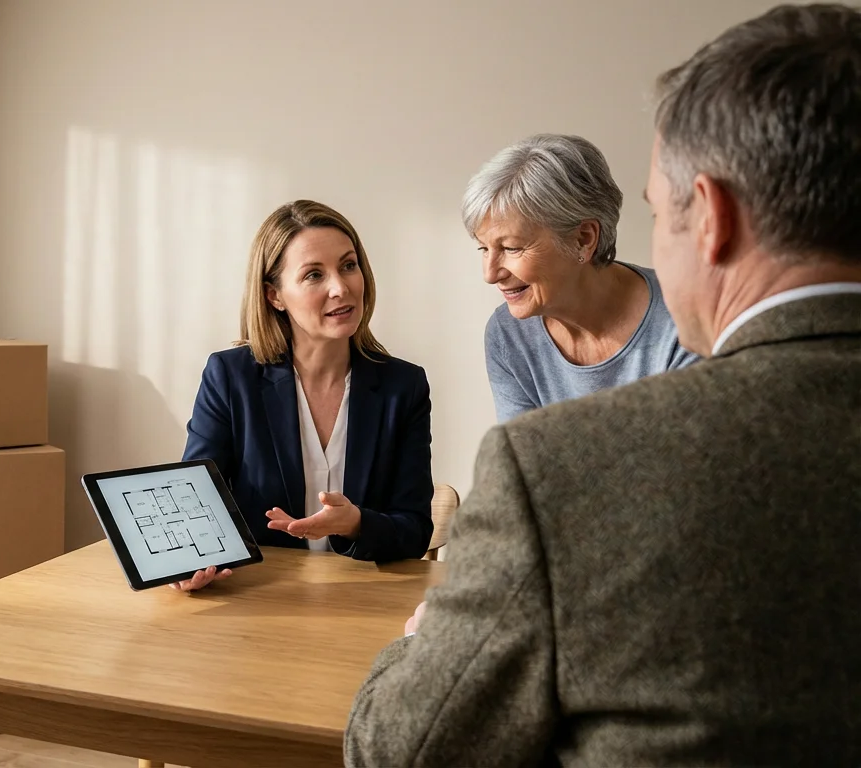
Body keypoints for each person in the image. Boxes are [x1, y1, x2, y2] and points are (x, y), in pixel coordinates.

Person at [346, 4, 861, 764]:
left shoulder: (558, 470)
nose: (492, 270)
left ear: (710, 218)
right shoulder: (522, 362)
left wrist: (420, 642)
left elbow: (402, 749)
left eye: (661, 212)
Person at [175, 200, 434, 591]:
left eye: (348, 265)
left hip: (365, 600)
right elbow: (195, 504)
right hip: (262, 599)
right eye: (314, 274)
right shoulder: (231, 377)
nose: (340, 287)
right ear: (274, 296)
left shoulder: (404, 386)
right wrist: (190, 565)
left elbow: (414, 531)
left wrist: (357, 523)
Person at [464, 133, 698, 422]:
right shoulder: (508, 335)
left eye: (511, 248)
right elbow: (523, 462)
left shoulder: (685, 317)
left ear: (583, 239)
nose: (490, 274)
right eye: (484, 248)